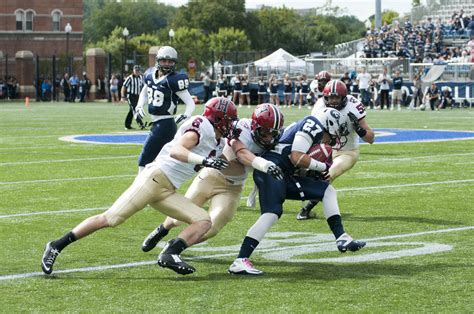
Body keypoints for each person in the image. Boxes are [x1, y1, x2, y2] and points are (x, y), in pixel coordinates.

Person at [41, 97, 238, 276]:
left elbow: (228, 158)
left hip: (168, 189)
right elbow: (177, 151)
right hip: (154, 179)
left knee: (204, 221)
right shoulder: (201, 126)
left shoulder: (219, 140)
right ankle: (56, 246)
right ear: (218, 118)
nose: (231, 124)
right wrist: (205, 160)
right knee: (111, 218)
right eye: (229, 120)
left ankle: (170, 253)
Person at [228, 108, 366, 275]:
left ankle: (342, 238)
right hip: (272, 169)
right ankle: (240, 260)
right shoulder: (312, 124)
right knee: (272, 213)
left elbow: (296, 161)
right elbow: (297, 157)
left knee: (327, 191)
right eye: (335, 133)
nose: (335, 138)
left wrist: (311, 171)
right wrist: (322, 166)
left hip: (283, 172)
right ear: (329, 124)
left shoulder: (313, 131)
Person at [141, 103, 285, 251]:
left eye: (273, 134)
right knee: (179, 216)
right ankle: (162, 230)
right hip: (212, 176)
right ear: (255, 126)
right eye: (265, 133)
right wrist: (264, 164)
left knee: (212, 227)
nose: (269, 138)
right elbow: (242, 154)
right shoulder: (242, 128)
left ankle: (175, 246)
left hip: (233, 187)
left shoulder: (275, 138)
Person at [297, 80, 375, 220]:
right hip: (326, 148)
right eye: (330, 97)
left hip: (347, 152)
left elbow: (371, 138)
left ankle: (307, 208)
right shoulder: (319, 106)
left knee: (327, 175)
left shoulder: (354, 106)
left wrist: (359, 129)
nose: (333, 101)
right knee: (305, 172)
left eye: (336, 97)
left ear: (344, 97)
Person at [134, 46, 196, 173]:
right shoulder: (150, 74)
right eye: (164, 61)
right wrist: (139, 106)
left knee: (145, 158)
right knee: (163, 161)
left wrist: (186, 114)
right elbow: (144, 93)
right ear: (158, 60)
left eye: (170, 61)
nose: (167, 64)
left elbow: (190, 102)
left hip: (165, 124)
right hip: (157, 123)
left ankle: (139, 186)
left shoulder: (173, 79)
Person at [121, 65, 146, 130]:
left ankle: (127, 125)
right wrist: (123, 96)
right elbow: (124, 87)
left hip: (138, 96)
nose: (137, 72)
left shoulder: (141, 77)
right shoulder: (129, 78)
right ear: (133, 70)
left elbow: (144, 87)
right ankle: (141, 124)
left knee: (131, 111)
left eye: (138, 70)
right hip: (131, 96)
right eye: (136, 70)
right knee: (135, 110)